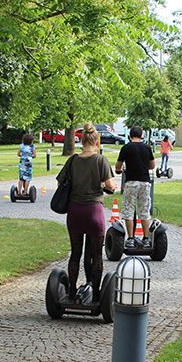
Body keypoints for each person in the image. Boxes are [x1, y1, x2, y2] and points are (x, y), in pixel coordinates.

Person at [57, 122, 115, 302]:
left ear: (81, 141)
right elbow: (110, 186)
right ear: (97, 141)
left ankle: (72, 292)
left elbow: (60, 183)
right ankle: (96, 294)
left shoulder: (73, 159)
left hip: (75, 211)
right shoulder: (100, 160)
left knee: (76, 253)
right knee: (96, 255)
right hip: (93, 212)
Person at [115, 126, 156, 249]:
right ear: (141, 135)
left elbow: (118, 166)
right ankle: (146, 239)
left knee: (129, 210)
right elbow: (152, 165)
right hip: (145, 182)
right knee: (144, 210)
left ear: (130, 135)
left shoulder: (126, 147)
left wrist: (120, 170)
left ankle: (131, 239)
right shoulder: (147, 147)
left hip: (131, 182)